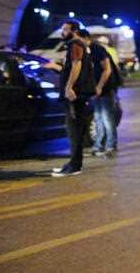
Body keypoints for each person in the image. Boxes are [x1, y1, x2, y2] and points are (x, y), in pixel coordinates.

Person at [50, 21, 96, 177]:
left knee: (74, 129)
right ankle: (73, 163)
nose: (62, 32)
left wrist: (69, 87)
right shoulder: (79, 44)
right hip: (79, 93)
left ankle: (75, 166)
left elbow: (76, 65)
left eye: (65, 29)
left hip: (75, 94)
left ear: (74, 31)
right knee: (74, 129)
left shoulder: (75, 44)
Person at [80, 30, 119, 157]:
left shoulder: (96, 49)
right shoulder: (86, 51)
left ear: (85, 38)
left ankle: (110, 145)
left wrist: (99, 87)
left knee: (107, 118)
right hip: (95, 89)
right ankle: (98, 145)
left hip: (106, 89)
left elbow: (107, 70)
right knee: (98, 118)